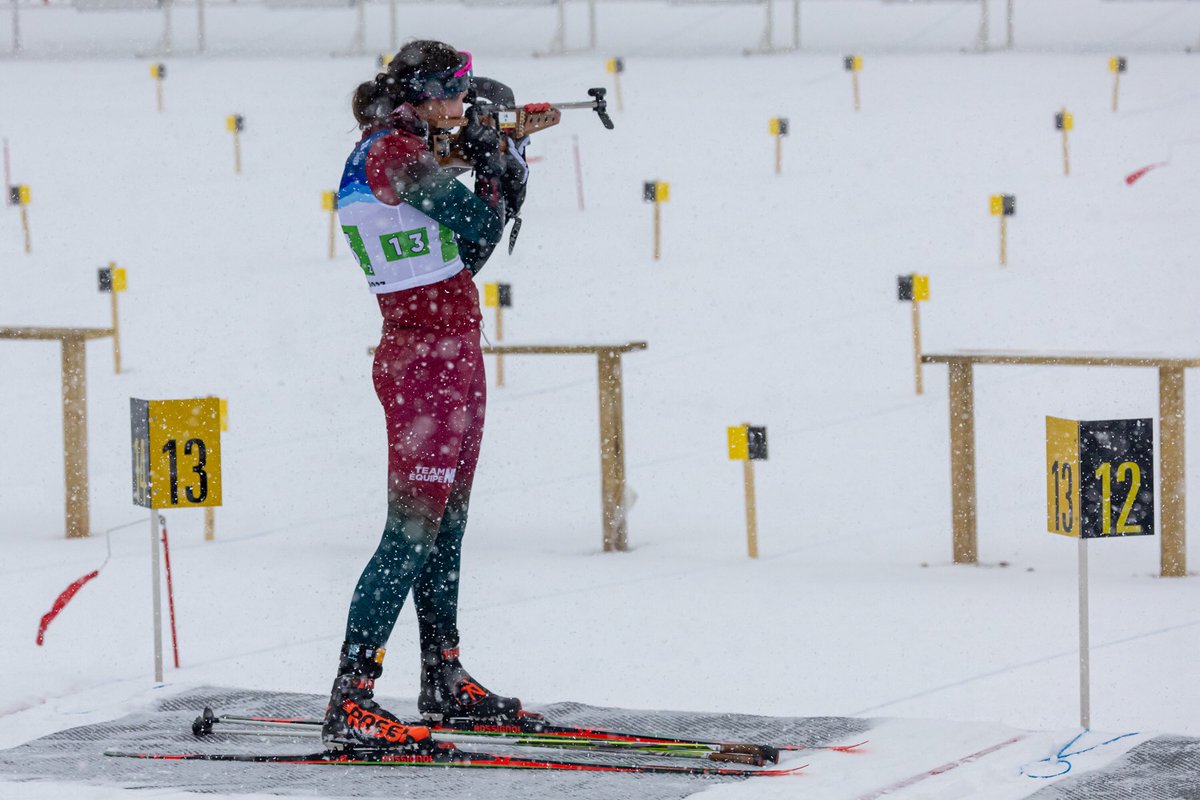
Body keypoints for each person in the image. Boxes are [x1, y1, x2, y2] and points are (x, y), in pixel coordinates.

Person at [323, 40, 531, 753]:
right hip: (422, 361)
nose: (459, 106)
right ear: (421, 94)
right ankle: (352, 696)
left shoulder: (406, 152)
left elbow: (465, 257)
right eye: (451, 92)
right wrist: (497, 175)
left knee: (446, 530)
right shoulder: (390, 155)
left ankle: (443, 676)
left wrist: (498, 169)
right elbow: (477, 225)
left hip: (451, 352)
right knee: (408, 536)